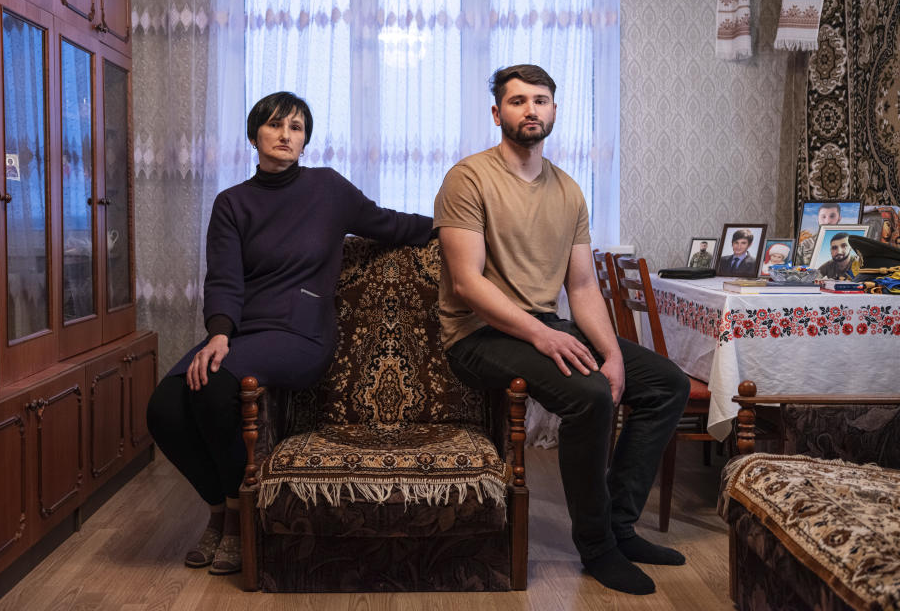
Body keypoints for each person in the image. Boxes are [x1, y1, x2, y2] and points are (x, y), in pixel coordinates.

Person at [146, 92, 432, 575]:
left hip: (302, 334)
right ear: (255, 133)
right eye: (276, 125)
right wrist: (218, 334)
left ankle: (239, 522)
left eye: (296, 128)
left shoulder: (329, 190)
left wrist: (460, 227)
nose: (286, 134)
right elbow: (223, 279)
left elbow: (391, 224)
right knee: (165, 409)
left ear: (305, 141)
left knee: (215, 387)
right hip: (241, 332)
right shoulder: (232, 203)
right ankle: (220, 509)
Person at [434, 64, 689, 596]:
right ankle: (596, 549)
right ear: (497, 112)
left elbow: (584, 286)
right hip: (478, 336)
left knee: (667, 383)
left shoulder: (569, 190)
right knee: (589, 394)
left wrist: (610, 350)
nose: (531, 110)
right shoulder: (468, 177)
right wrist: (544, 336)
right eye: (519, 100)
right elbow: (466, 285)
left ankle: (620, 528)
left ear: (554, 110)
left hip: (544, 324)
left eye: (542, 100)